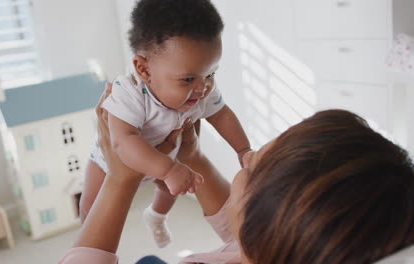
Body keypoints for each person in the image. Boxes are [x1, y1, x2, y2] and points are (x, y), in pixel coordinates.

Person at [60, 83, 414, 264]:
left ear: (261, 227)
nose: (250, 155)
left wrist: (120, 182)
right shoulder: (264, 251)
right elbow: (234, 229)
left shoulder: (253, 244)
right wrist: (193, 155)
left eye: (256, 162)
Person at [80, 0, 251, 248]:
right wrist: (168, 170)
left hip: (169, 156)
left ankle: (157, 216)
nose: (203, 88)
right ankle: (87, 240)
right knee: (90, 205)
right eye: (188, 79)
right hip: (109, 165)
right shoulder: (128, 93)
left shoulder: (201, 89)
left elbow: (222, 115)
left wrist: (243, 149)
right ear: (144, 70)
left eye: (211, 74)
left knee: (174, 189)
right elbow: (123, 141)